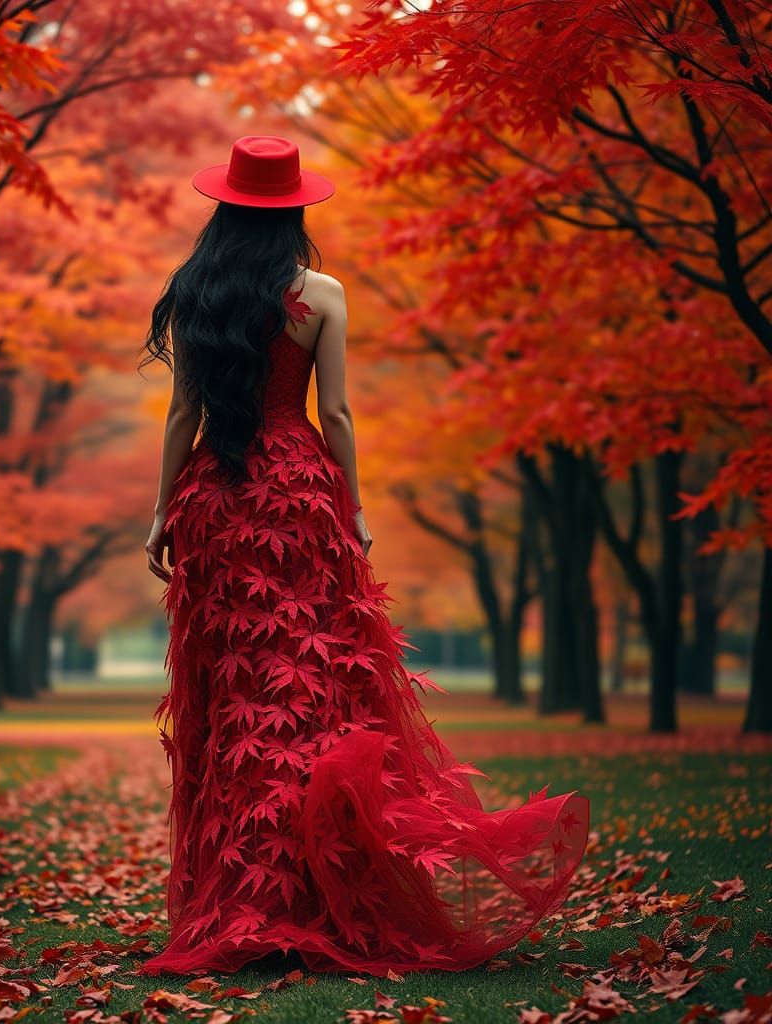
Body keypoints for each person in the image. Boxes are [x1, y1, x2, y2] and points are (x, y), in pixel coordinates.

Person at [137, 135, 589, 978]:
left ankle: (239, 899)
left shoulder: (197, 291)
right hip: (297, 494)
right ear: (297, 209)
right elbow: (335, 414)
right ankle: (317, 894)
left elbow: (181, 416)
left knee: (235, 695)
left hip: (215, 499)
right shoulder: (321, 294)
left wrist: (163, 511)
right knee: (312, 695)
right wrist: (354, 504)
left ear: (225, 206)